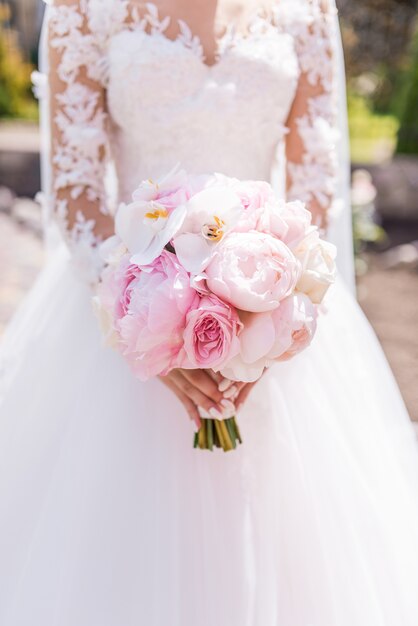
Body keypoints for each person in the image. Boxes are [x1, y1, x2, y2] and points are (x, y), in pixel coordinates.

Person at [1, 1, 418, 624]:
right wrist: (151, 320)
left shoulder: (305, 11)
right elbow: (76, 188)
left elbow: (312, 180)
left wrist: (264, 317)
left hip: (271, 304)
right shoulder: (81, 10)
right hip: (119, 308)